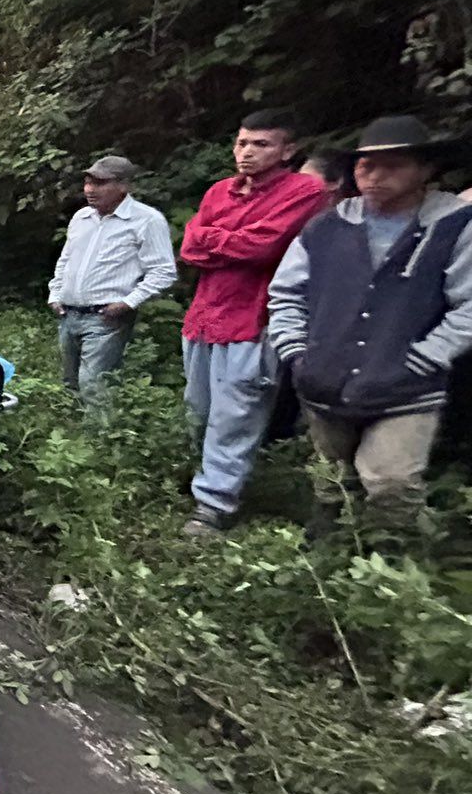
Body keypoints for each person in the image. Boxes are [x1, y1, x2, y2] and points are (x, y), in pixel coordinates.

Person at [267, 116, 472, 531]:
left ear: (425, 170)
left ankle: (393, 570)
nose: (375, 176)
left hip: (406, 387)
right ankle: (326, 557)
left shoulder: (453, 227)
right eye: (366, 166)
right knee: (331, 481)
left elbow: (468, 305)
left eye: (392, 165)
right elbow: (285, 292)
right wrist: (297, 351)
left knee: (392, 482)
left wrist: (426, 357)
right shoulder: (327, 226)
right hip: (324, 380)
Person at [177, 111, 329, 536]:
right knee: (200, 410)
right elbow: (190, 247)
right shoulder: (220, 191)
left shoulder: (304, 190)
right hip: (205, 315)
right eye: (242, 143)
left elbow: (264, 248)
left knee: (237, 414)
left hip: (253, 318)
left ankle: (214, 504)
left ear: (288, 150)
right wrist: (226, 242)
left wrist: (215, 239)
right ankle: (206, 480)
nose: (247, 152)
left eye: (260, 144)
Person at [46, 155, 177, 408]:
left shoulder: (147, 220)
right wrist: (55, 294)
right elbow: (66, 260)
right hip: (68, 313)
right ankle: (72, 438)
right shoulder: (81, 217)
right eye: (87, 182)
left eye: (100, 183)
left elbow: (163, 271)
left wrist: (128, 303)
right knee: (69, 382)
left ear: (123, 185)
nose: (89, 190)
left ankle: (99, 439)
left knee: (94, 384)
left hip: (105, 317)